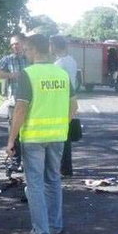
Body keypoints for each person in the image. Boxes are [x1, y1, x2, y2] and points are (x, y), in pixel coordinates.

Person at [6, 34, 76, 234]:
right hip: (57, 136)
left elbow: (20, 109)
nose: (25, 53)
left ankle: (41, 232)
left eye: (27, 49)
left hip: (34, 138)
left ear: (35, 49)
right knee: (53, 180)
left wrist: (11, 139)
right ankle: (55, 226)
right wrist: (62, 124)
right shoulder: (61, 73)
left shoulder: (29, 74)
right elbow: (74, 106)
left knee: (35, 184)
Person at [0, 34, 28, 171]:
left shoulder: (30, 58)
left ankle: (28, 161)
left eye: (17, 43)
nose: (15, 46)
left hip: (31, 102)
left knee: (29, 133)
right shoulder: (8, 59)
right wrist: (10, 75)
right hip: (14, 102)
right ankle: (16, 161)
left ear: (24, 43)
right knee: (15, 132)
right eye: (12, 44)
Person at [51, 36, 78, 177]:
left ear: (55, 46)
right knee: (65, 136)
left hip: (60, 102)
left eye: (51, 45)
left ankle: (63, 168)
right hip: (69, 100)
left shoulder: (58, 64)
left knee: (60, 137)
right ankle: (66, 168)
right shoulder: (71, 61)